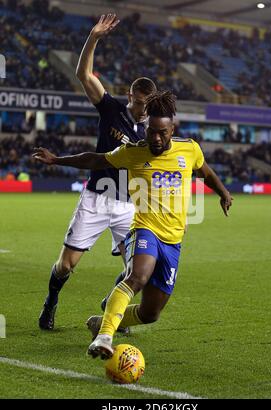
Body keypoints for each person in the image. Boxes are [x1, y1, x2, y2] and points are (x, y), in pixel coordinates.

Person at [33, 91, 233, 359]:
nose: (157, 138)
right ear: (146, 128)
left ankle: (100, 321)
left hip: (173, 241)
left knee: (150, 314)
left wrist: (223, 193)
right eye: (152, 132)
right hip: (144, 228)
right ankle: (104, 337)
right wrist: (58, 160)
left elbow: (205, 172)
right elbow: (95, 158)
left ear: (172, 129)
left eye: (162, 132)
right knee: (136, 276)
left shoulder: (190, 149)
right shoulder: (133, 152)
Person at [38, 13, 157, 330]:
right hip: (96, 198)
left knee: (140, 271)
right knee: (66, 265)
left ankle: (112, 305)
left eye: (150, 104)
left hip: (128, 206)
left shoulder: (151, 134)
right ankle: (51, 302)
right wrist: (93, 37)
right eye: (141, 102)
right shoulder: (111, 108)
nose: (145, 109)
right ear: (131, 95)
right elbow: (84, 73)